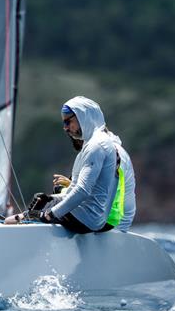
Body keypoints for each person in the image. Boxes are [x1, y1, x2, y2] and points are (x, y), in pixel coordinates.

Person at [7, 96, 119, 233]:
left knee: (13, 220)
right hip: (87, 217)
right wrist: (51, 200)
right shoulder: (92, 145)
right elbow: (74, 190)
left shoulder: (97, 146)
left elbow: (83, 191)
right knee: (41, 203)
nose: (65, 128)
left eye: (68, 121)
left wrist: (50, 214)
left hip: (85, 219)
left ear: (84, 117)